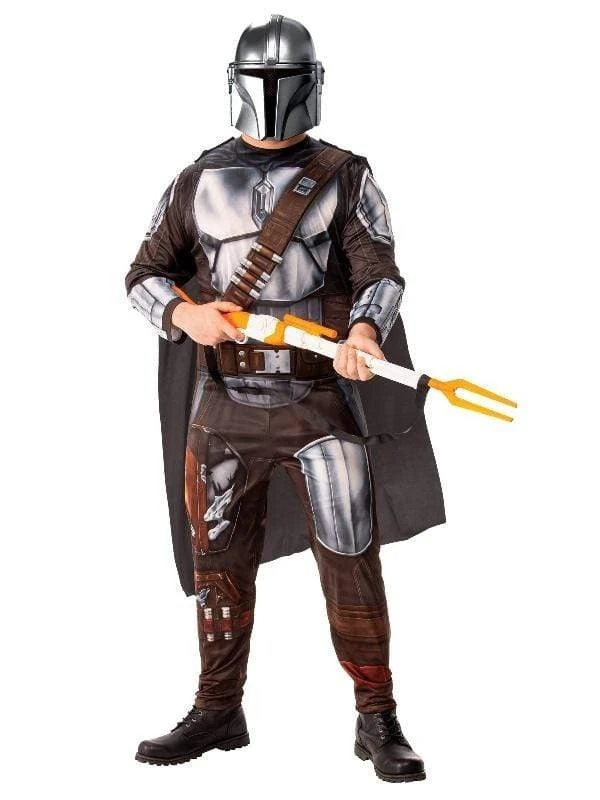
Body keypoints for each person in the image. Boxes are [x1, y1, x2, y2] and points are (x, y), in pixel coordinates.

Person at [125, 14, 444, 783]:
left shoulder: (345, 176)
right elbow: (143, 276)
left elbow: (378, 272)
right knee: (218, 564)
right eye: (261, 82)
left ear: (311, 85)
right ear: (237, 85)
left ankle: (377, 717)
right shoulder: (197, 180)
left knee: (351, 560)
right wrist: (184, 316)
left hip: (316, 401)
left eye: (284, 81)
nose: (272, 95)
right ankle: (217, 709)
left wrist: (364, 331)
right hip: (224, 402)